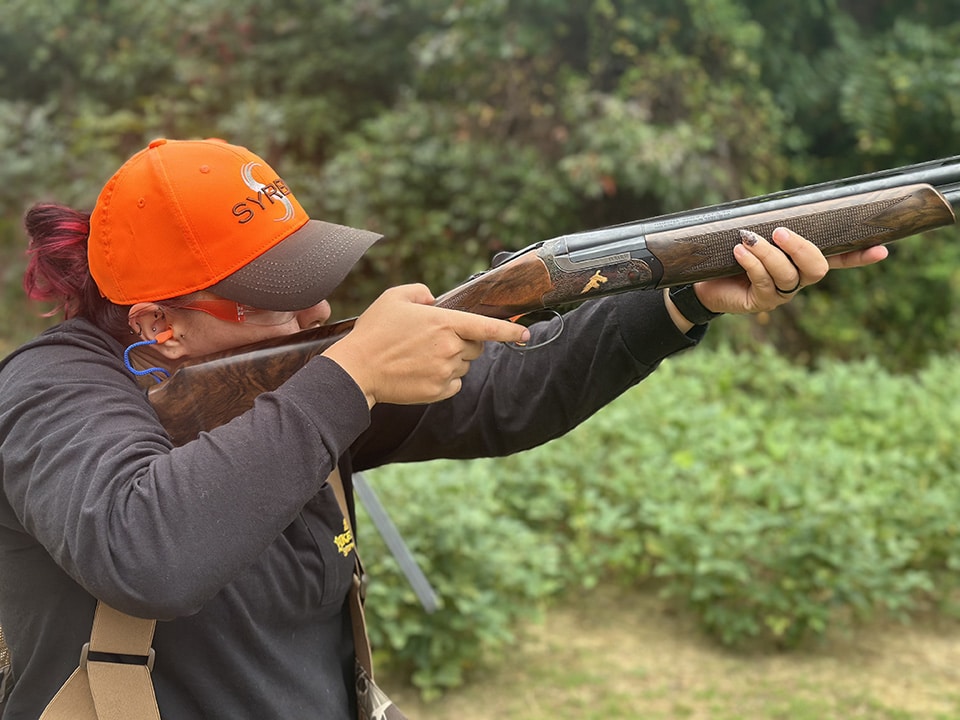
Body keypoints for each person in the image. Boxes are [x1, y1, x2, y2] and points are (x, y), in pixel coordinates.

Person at [0, 138, 887, 719]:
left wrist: (682, 300)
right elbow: (146, 550)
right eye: (274, 299)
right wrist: (350, 378)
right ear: (159, 323)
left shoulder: (293, 373)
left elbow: (514, 393)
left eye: (314, 271)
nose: (319, 307)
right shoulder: (50, 394)